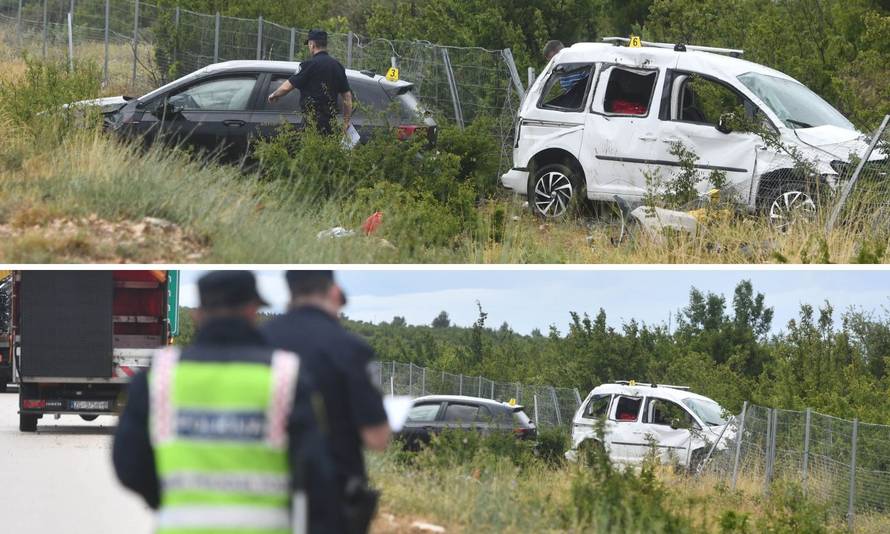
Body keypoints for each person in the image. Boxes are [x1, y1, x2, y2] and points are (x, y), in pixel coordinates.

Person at [113, 271, 340, 534]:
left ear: (197, 314)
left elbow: (128, 463)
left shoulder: (160, 375)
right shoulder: (285, 376)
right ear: (252, 311)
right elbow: (317, 474)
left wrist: (166, 501)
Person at [261, 271, 391, 534]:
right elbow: (377, 438)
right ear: (334, 292)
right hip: (331, 502)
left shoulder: (260, 341)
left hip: (265, 496)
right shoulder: (351, 349)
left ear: (290, 291)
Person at [268, 29, 353, 136]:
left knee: (310, 150)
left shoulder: (308, 65)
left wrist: (274, 95)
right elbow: (347, 96)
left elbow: (287, 87)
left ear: (312, 44)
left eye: (308, 44)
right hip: (331, 123)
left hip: (312, 123)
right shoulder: (338, 66)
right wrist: (346, 122)